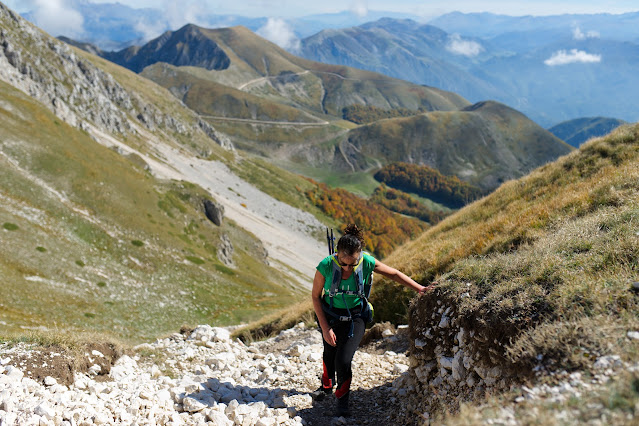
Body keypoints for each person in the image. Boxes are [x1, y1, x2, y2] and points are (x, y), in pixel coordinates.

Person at [311, 224, 433, 417]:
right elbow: (316, 296)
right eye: (343, 264)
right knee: (329, 353)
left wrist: (419, 288)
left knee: (343, 360)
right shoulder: (325, 265)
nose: (348, 269)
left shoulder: (367, 262)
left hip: (357, 317)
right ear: (337, 255)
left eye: (353, 264)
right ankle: (326, 385)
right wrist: (326, 328)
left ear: (359, 256)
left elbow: (393, 273)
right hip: (330, 316)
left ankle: (342, 401)